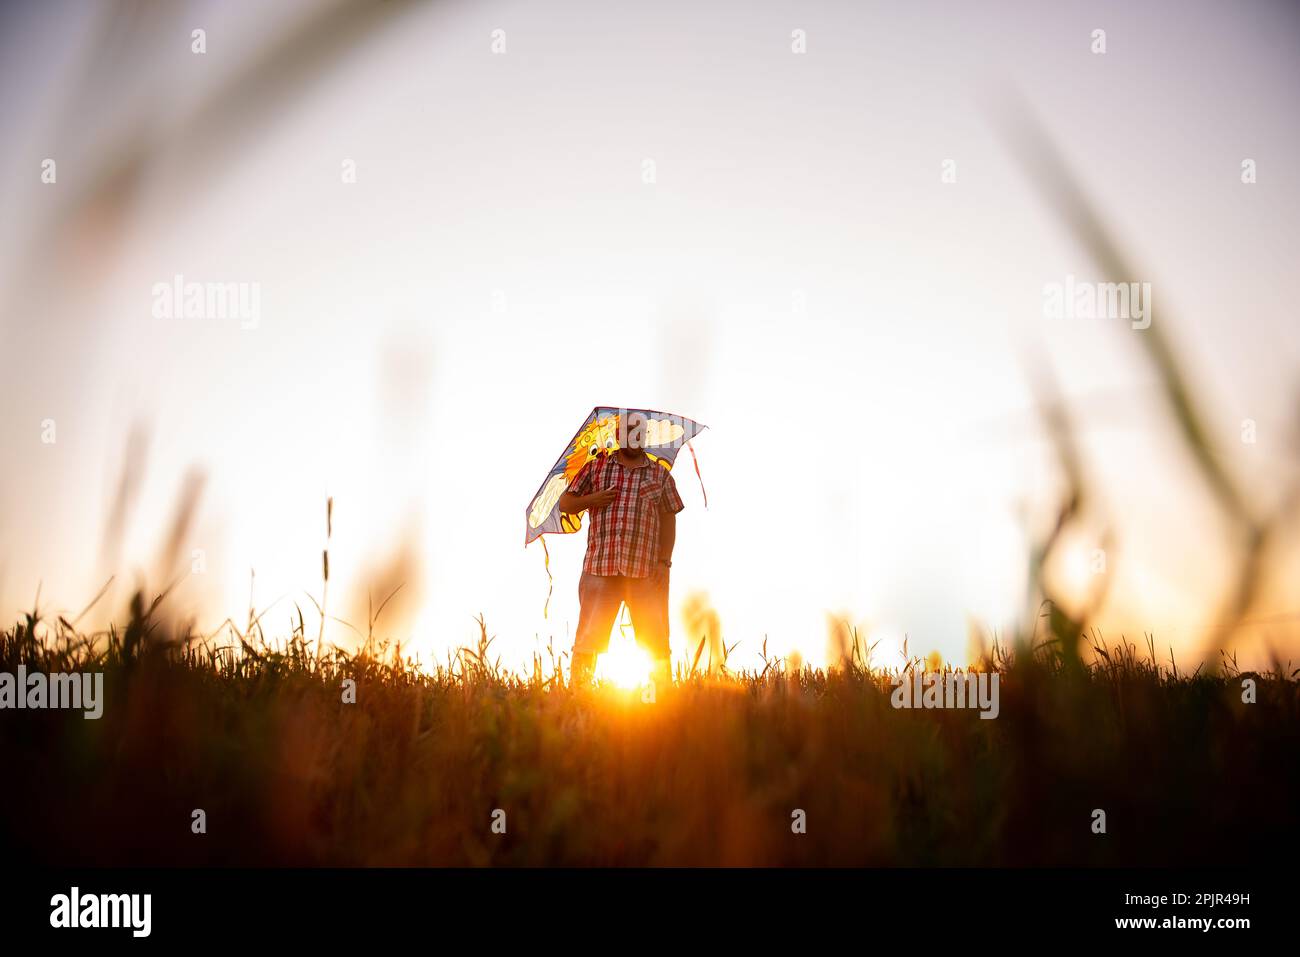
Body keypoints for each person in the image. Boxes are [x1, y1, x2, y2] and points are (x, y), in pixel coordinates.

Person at [558, 412, 684, 689]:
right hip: (600, 567)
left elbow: (669, 517)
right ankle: (578, 695)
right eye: (628, 430)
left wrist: (665, 563)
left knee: (655, 639)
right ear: (618, 435)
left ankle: (661, 698)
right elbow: (566, 503)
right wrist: (594, 499)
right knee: (589, 638)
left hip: (646, 572)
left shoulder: (659, 474)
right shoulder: (597, 467)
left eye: (639, 431)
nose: (634, 436)